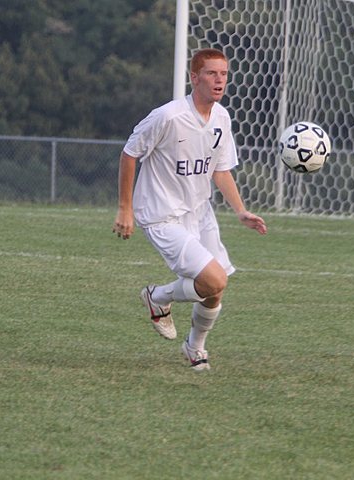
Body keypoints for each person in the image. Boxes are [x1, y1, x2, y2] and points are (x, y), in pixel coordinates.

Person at [112, 48, 267, 372]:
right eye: (211, 73)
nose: (219, 80)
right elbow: (130, 153)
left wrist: (240, 211)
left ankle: (195, 346)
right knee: (213, 278)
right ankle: (158, 297)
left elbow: (220, 170)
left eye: (223, 74)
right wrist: (125, 209)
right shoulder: (168, 116)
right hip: (161, 214)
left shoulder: (221, 118)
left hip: (200, 211)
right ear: (194, 77)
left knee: (216, 288)